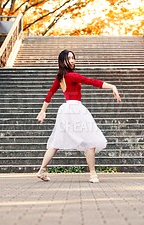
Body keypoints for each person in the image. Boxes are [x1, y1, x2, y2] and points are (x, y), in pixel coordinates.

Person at [36, 50, 121, 183]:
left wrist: (43, 111)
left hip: (66, 110)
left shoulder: (60, 77)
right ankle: (93, 175)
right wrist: (112, 86)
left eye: (73, 58)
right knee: (90, 141)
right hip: (75, 110)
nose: (72, 60)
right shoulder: (71, 76)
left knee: (56, 142)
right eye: (69, 58)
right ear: (62, 61)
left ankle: (42, 170)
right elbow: (91, 81)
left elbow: (50, 94)